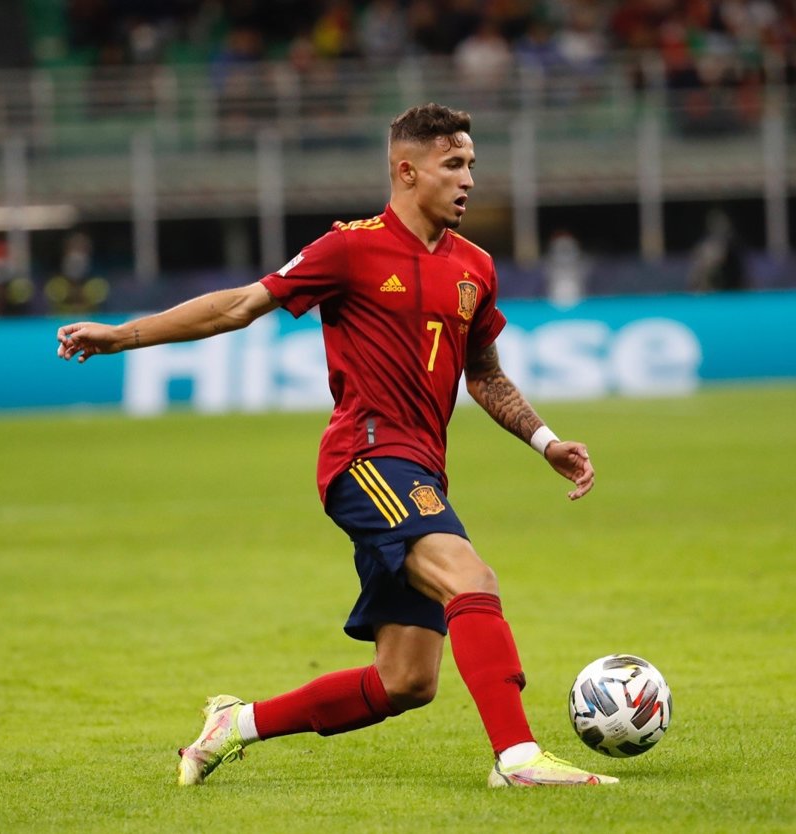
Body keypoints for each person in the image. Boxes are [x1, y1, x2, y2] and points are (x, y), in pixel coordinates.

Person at [56, 103, 614, 788]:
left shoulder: (475, 267)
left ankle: (235, 725)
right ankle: (518, 758)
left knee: (407, 680)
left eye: (471, 164)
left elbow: (485, 373)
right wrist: (123, 335)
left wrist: (544, 440)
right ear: (407, 172)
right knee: (471, 578)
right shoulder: (349, 248)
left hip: (422, 470)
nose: (469, 179)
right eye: (453, 164)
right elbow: (240, 305)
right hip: (366, 458)